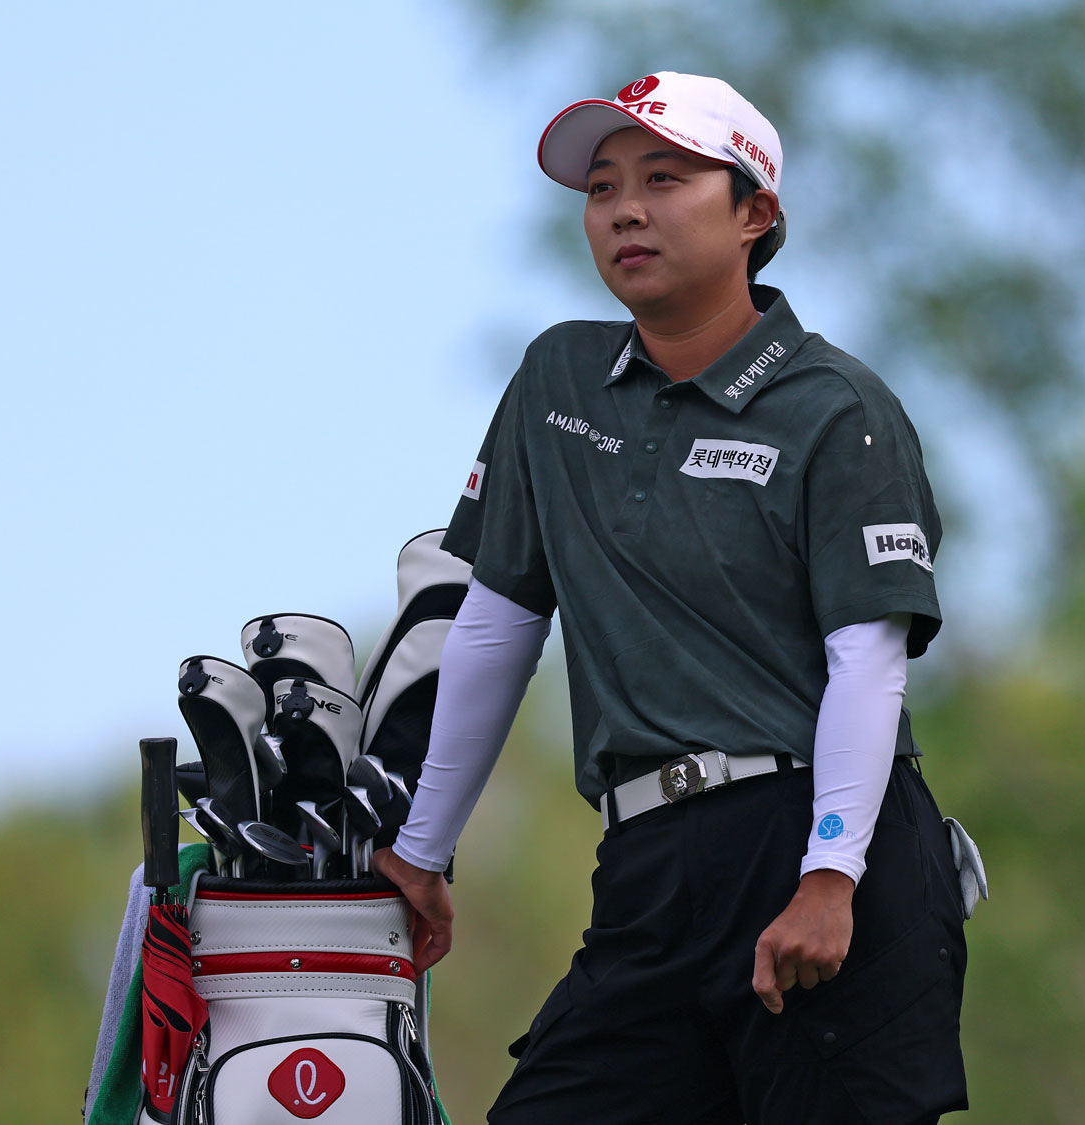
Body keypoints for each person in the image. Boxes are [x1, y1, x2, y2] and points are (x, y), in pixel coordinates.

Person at [373, 70, 969, 1124]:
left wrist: (830, 876)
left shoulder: (836, 410)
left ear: (754, 213)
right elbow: (499, 623)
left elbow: (866, 661)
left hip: (816, 848)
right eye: (601, 189)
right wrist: (421, 850)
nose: (625, 211)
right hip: (646, 867)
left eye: (664, 177)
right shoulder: (554, 384)